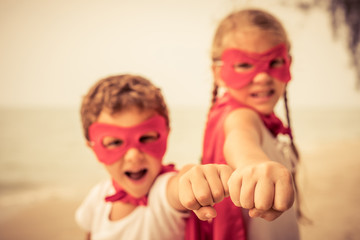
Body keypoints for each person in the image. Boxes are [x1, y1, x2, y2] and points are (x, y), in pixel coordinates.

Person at [184, 8, 301, 240]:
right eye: (245, 65)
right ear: (218, 73)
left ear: (289, 63)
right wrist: (252, 164)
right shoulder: (239, 116)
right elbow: (240, 138)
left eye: (275, 61)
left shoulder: (261, 119)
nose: (262, 77)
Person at [75, 74, 233, 240]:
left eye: (147, 138)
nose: (133, 156)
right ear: (92, 148)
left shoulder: (162, 195)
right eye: (115, 143)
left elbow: (178, 187)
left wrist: (192, 179)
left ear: (166, 134)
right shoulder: (97, 198)